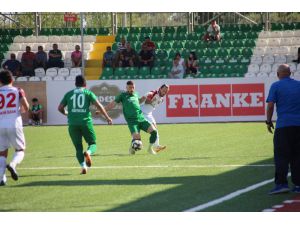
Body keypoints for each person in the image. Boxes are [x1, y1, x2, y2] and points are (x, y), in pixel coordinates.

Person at [58, 75, 112, 174]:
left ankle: (83, 166)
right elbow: (99, 105)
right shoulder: (88, 93)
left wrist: (67, 113)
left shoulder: (69, 94)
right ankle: (88, 152)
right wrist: (107, 117)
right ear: (85, 84)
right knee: (92, 143)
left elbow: (60, 108)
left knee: (78, 147)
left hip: (73, 124)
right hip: (86, 122)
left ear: (75, 83)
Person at [266, 64, 300, 194]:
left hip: (284, 126)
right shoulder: (298, 85)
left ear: (278, 74)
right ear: (290, 73)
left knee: (281, 156)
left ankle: (281, 184)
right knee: (298, 156)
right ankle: (298, 185)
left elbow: (270, 106)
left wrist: (268, 122)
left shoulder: (276, 86)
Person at [105, 80, 160, 155]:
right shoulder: (122, 95)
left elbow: (139, 101)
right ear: (126, 87)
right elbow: (112, 104)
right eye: (130, 87)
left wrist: (145, 96)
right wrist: (103, 110)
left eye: (133, 87)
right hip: (132, 121)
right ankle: (132, 147)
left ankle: (150, 149)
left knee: (154, 132)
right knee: (137, 138)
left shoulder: (136, 94)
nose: (132, 89)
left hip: (141, 119)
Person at [0, 70, 29, 186]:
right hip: (14, 124)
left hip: (0, 125)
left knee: (2, 153)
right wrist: (19, 112)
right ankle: (12, 164)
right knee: (20, 150)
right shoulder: (18, 91)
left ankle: (1, 179)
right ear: (12, 80)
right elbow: (26, 107)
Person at [140, 84, 170, 152]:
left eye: (166, 92)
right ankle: (138, 142)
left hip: (149, 114)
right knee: (153, 130)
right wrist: (152, 100)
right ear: (160, 89)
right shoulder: (153, 93)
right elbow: (147, 101)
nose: (164, 92)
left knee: (156, 129)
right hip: (142, 113)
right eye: (164, 90)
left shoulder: (162, 99)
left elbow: (152, 106)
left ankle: (157, 146)